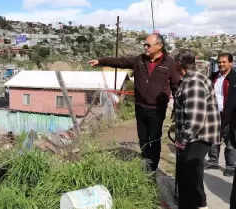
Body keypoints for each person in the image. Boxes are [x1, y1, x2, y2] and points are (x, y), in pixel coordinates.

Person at [88, 33, 181, 172]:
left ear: (159, 46)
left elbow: (176, 87)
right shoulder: (139, 60)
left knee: (154, 139)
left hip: (157, 109)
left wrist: (178, 109)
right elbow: (121, 62)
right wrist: (101, 61)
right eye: (145, 44)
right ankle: (145, 163)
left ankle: (152, 169)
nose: (145, 47)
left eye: (148, 45)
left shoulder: (170, 64)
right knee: (143, 138)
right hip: (140, 107)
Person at [173, 49, 221, 209]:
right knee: (194, 172)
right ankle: (201, 204)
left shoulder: (193, 81)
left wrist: (182, 139)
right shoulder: (196, 77)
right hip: (198, 135)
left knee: (186, 176)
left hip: (197, 136)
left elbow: (195, 118)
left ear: (179, 64)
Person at [206, 53, 236, 177]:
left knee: (229, 142)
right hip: (214, 114)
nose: (221, 64)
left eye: (224, 62)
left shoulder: (234, 78)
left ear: (231, 63)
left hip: (230, 115)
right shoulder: (213, 77)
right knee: (213, 139)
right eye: (219, 62)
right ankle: (213, 161)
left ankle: (230, 166)